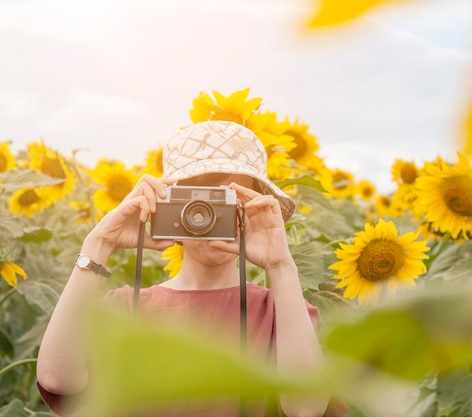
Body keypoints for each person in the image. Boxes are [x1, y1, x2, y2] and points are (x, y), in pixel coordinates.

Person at [36, 120, 349, 417]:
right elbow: (56, 378)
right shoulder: (126, 308)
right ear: (169, 205)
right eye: (202, 200)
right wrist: (99, 244)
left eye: (232, 200)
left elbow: (306, 408)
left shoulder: (280, 311)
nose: (211, 216)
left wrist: (281, 266)